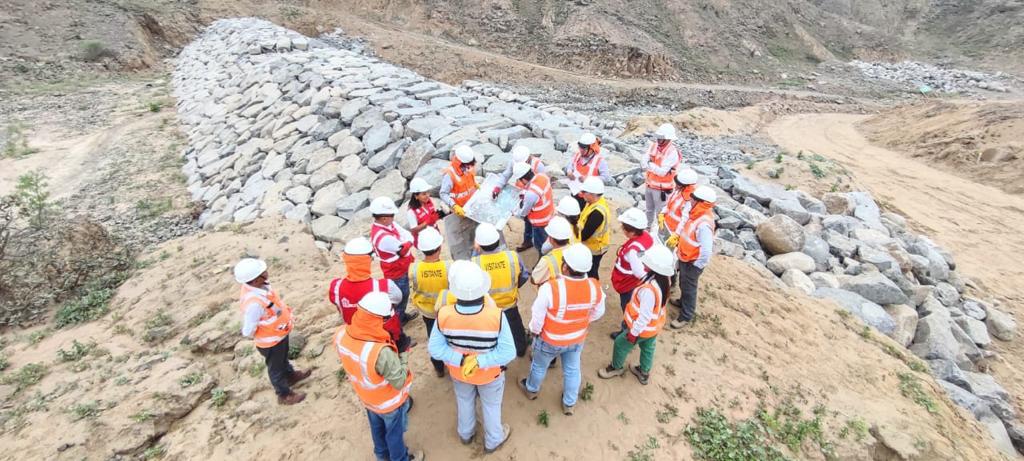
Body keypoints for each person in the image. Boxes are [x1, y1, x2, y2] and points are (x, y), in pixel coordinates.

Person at [428, 261, 515, 453]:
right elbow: (508, 352)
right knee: (491, 406)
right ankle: (493, 440)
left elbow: (434, 348)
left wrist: (461, 360)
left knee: (464, 400)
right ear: (483, 289)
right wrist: (480, 361)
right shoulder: (497, 316)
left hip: (460, 373)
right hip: (490, 374)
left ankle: (465, 434)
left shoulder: (444, 314)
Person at [335, 292, 422, 461]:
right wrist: (403, 353)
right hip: (388, 402)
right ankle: (400, 458)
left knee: (377, 429)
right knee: (394, 434)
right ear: (379, 320)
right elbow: (399, 381)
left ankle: (382, 456)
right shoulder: (380, 352)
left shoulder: (341, 334)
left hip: (366, 396)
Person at [520, 244, 605, 415]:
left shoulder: (550, 288)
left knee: (538, 365)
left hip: (549, 339)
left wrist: (534, 331)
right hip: (576, 338)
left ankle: (531, 389)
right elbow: (598, 312)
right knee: (573, 369)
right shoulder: (595, 287)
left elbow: (537, 318)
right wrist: (580, 321)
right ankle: (569, 402)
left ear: (565, 267)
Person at [234, 258, 311, 405]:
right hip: (270, 342)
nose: (267, 272)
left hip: (279, 334)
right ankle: (283, 394)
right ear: (256, 280)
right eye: (263, 272)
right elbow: (248, 329)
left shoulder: (260, 287)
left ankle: (290, 376)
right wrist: (266, 330)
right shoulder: (254, 304)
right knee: (275, 368)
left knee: (282, 360)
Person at [598, 245, 675, 385]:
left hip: (640, 328)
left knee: (620, 344)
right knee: (648, 348)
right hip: (653, 327)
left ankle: (616, 367)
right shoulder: (664, 281)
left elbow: (644, 316)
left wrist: (634, 332)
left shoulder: (648, 290)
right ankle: (644, 372)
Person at [328, 237, 406, 346]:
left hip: (354, 337)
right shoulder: (384, 286)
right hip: (380, 337)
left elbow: (336, 303)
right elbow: (398, 299)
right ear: (368, 260)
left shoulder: (335, 287)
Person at [472, 223, 530, 357]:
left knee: (492, 330)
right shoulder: (512, 257)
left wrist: (476, 250)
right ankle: (520, 349)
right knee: (516, 328)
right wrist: (515, 287)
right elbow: (524, 276)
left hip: (488, 308)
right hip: (510, 304)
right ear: (498, 240)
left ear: (479, 244)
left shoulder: (476, 262)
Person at [668, 185, 716, 329]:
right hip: (685, 257)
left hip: (692, 262)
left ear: (702, 202)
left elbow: (706, 251)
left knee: (689, 288)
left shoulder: (704, 224)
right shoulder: (696, 214)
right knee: (684, 283)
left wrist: (696, 266)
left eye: (694, 199)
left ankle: (686, 315)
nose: (691, 200)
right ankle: (682, 301)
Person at [408, 227, 450, 377]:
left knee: (434, 339)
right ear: (439, 247)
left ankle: (439, 368)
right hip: (446, 311)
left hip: (428, 313)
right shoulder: (448, 266)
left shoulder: (414, 268)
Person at [370, 196, 418, 325]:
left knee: (404, 294)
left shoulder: (388, 225)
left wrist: (407, 241)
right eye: (392, 215)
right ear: (384, 217)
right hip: (396, 272)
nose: (394, 218)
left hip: (401, 268)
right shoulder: (384, 237)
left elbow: (406, 235)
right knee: (400, 297)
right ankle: (398, 322)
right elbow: (403, 249)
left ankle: (401, 316)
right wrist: (408, 241)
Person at [609, 208, 653, 338]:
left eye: (624, 228)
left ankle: (626, 331)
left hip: (629, 285)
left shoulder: (632, 252)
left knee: (628, 309)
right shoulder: (647, 236)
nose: (622, 230)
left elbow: (639, 272)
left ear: (632, 231)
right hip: (635, 284)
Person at [498, 146, 547, 250]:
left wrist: (515, 211)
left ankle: (538, 245)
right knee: (527, 222)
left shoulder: (538, 166)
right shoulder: (514, 162)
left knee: (535, 227)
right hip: (524, 195)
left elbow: (523, 211)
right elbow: (506, 175)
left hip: (534, 201)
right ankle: (528, 241)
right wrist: (498, 187)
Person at [439, 144, 480, 260]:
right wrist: (454, 206)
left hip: (470, 206)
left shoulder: (468, 167)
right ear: (460, 163)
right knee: (461, 235)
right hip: (459, 209)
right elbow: (443, 193)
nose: (470, 167)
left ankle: (475, 250)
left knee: (473, 231)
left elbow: (470, 180)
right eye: (467, 165)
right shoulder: (450, 175)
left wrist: (475, 185)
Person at [642, 124, 682, 227]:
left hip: (662, 190)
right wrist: (650, 164)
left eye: (661, 138)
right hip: (649, 185)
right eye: (658, 138)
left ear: (668, 139)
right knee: (649, 210)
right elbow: (643, 160)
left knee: (660, 213)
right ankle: (647, 228)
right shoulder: (654, 145)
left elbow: (662, 172)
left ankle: (661, 232)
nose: (659, 140)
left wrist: (649, 164)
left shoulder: (672, 152)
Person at [509, 162, 555, 252]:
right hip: (547, 212)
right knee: (529, 229)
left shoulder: (531, 194)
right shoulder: (542, 176)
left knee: (540, 243)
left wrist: (514, 212)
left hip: (539, 221)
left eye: (519, 180)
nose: (519, 182)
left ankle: (542, 257)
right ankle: (528, 242)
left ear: (524, 179)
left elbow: (523, 213)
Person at [577, 177, 613, 280]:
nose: (582, 193)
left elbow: (584, 235)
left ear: (592, 194)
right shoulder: (594, 202)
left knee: (591, 271)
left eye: (584, 192)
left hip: (595, 248)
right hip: (594, 244)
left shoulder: (597, 213)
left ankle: (595, 290)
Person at [565, 132, 612, 208]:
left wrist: (589, 179)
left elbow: (606, 177)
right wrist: (569, 171)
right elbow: (570, 165)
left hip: (589, 198)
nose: (581, 150)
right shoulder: (577, 155)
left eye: (583, 148)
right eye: (580, 147)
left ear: (591, 148)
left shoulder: (600, 161)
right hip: (575, 192)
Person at [530, 216, 573, 286]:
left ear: (551, 239)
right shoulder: (575, 250)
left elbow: (534, 279)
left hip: (554, 293)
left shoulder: (547, 260)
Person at [406, 178, 448, 248]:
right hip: (424, 241)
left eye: (428, 192)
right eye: (424, 194)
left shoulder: (428, 202)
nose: (428, 195)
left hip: (434, 234)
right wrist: (427, 222)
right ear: (416, 196)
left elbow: (433, 216)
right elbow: (414, 230)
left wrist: (441, 214)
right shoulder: (411, 212)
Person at [659, 168, 698, 241]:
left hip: (674, 232)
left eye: (678, 184)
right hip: (666, 226)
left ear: (686, 186)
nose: (676, 185)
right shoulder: (677, 191)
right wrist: (662, 213)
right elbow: (669, 204)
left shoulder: (689, 200)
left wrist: (677, 234)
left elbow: (684, 220)